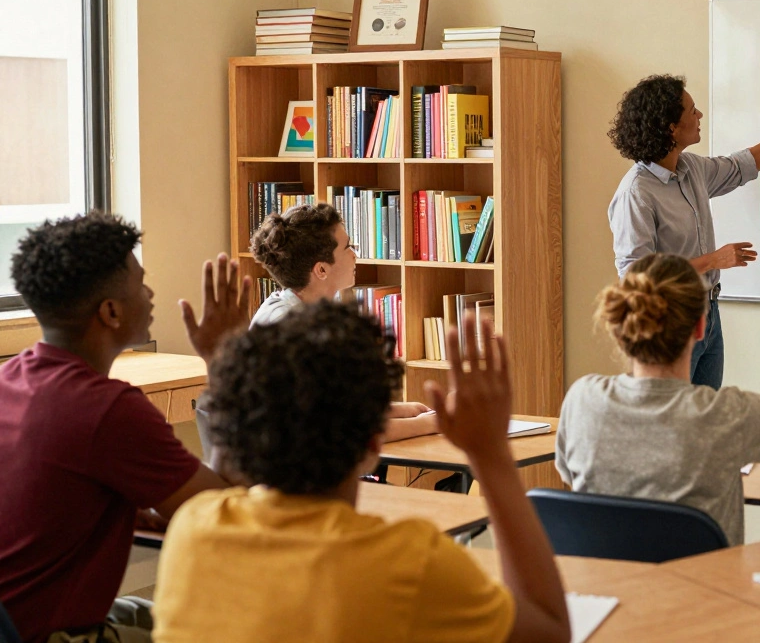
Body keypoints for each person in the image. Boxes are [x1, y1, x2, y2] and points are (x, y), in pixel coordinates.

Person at [152, 303, 571, 643]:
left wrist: (222, 365)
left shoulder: (193, 528)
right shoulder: (411, 564)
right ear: (375, 442)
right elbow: (550, 630)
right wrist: (491, 454)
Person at [0, 212, 246, 643]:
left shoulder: (12, 379)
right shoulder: (108, 410)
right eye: (141, 284)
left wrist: (125, 511)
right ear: (111, 312)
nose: (151, 294)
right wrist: (224, 361)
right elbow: (226, 515)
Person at [560, 211, 760, 545]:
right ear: (701, 327)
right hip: (706, 596)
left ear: (621, 326)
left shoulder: (582, 401)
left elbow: (572, 478)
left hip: (610, 593)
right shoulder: (725, 416)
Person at [609, 75, 760, 390]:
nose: (699, 116)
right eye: (692, 110)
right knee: (676, 425)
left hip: (708, 314)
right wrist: (711, 261)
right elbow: (634, 277)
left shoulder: (691, 169)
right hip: (670, 325)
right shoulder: (636, 193)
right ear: (671, 127)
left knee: (703, 423)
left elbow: (743, 166)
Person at [198, 203, 436, 456]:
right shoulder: (288, 327)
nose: (355, 254)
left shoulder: (310, 309)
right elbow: (345, 431)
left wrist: (401, 410)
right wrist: (429, 424)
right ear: (321, 269)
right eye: (347, 248)